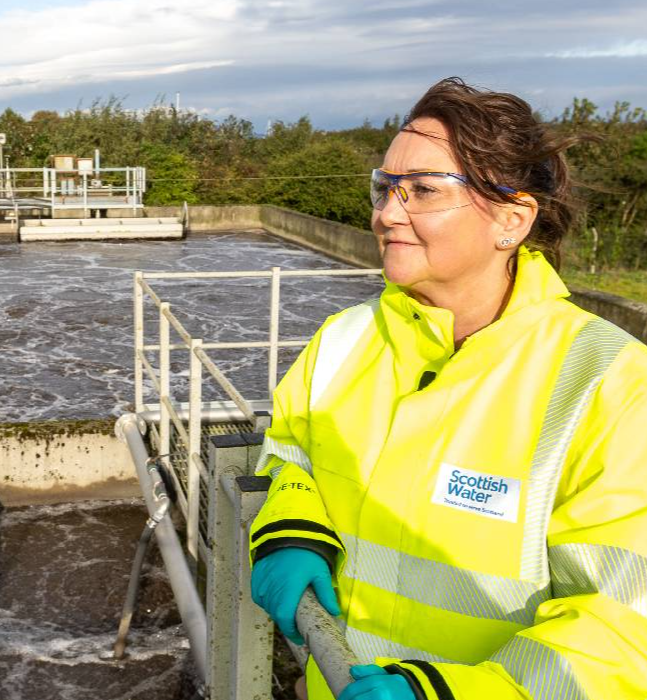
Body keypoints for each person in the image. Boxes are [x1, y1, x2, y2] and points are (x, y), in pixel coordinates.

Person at [249, 78, 647, 700]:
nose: (386, 214)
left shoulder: (612, 383)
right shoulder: (342, 340)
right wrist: (291, 530)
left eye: (424, 191)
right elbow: (290, 450)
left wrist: (443, 692)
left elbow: (622, 624)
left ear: (512, 220)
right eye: (386, 187)